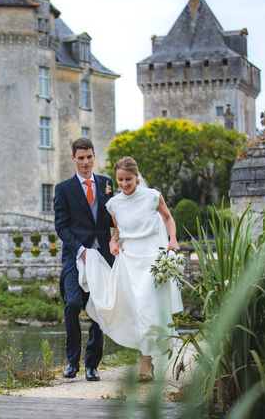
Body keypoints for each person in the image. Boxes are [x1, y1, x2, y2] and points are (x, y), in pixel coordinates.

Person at [77, 156, 183, 381]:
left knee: (146, 305)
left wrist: (172, 239)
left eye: (129, 179)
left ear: (137, 177)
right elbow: (117, 230)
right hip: (129, 259)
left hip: (152, 257)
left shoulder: (152, 196)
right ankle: (147, 359)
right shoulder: (113, 203)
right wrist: (113, 242)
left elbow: (168, 218)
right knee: (136, 310)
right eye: (121, 180)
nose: (124, 184)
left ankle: (146, 365)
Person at [53, 138, 114, 381]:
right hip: (74, 255)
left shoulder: (107, 183)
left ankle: (92, 365)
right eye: (81, 158)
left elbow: (114, 217)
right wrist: (80, 249)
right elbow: (61, 226)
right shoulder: (63, 189)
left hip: (102, 256)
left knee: (99, 308)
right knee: (73, 304)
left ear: (93, 156)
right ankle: (71, 362)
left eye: (89, 157)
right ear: (73, 159)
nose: (86, 162)